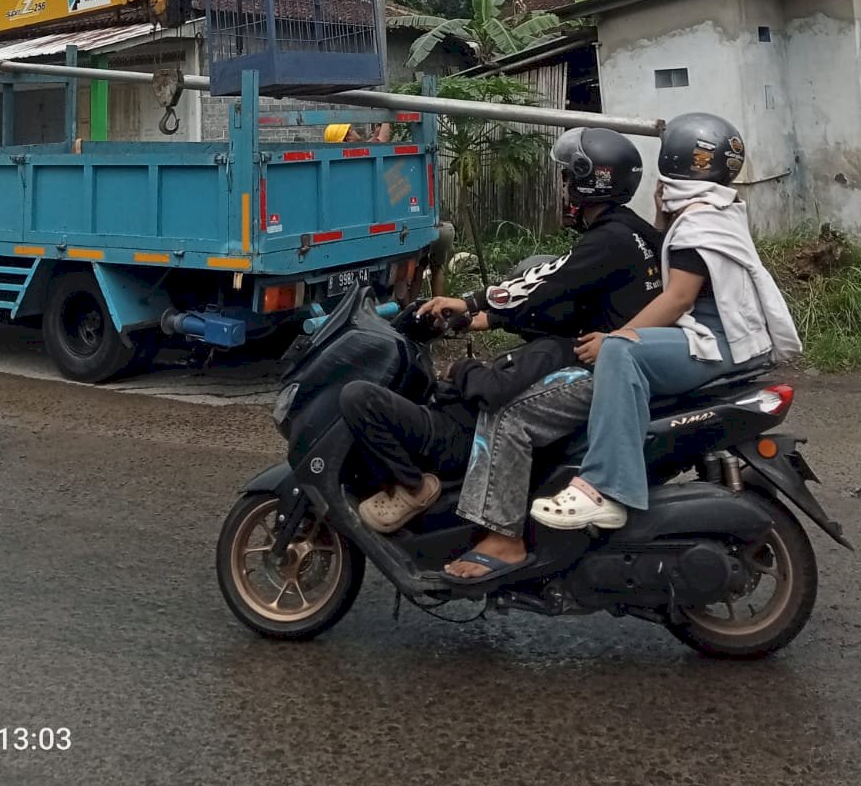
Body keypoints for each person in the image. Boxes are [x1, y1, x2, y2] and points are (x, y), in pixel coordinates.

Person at [444, 112, 801, 581]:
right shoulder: (710, 213)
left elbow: (677, 298)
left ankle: (603, 488)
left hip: (715, 342)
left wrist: (616, 338)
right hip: (725, 338)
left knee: (617, 354)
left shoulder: (694, 223)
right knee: (620, 349)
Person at [341, 126, 662, 535]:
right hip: (610, 357)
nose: (564, 186)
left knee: (507, 415)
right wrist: (479, 318)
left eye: (569, 176)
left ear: (589, 180)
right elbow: (554, 295)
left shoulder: (607, 241)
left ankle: (495, 535)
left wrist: (470, 311)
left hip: (596, 366)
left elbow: (546, 285)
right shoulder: (633, 232)